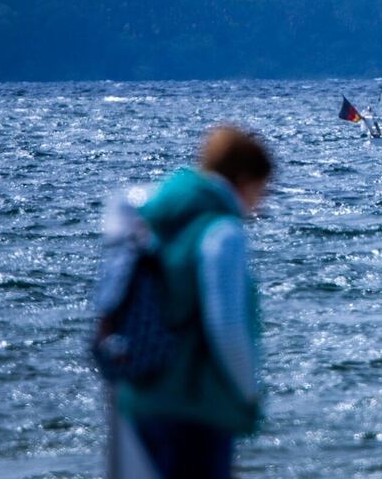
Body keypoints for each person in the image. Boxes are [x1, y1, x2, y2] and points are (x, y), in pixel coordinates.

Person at [115, 126, 273, 479]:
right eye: (261, 190)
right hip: (196, 404)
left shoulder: (158, 215)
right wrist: (248, 395)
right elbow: (226, 327)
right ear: (245, 180)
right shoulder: (222, 232)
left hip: (144, 396)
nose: (260, 204)